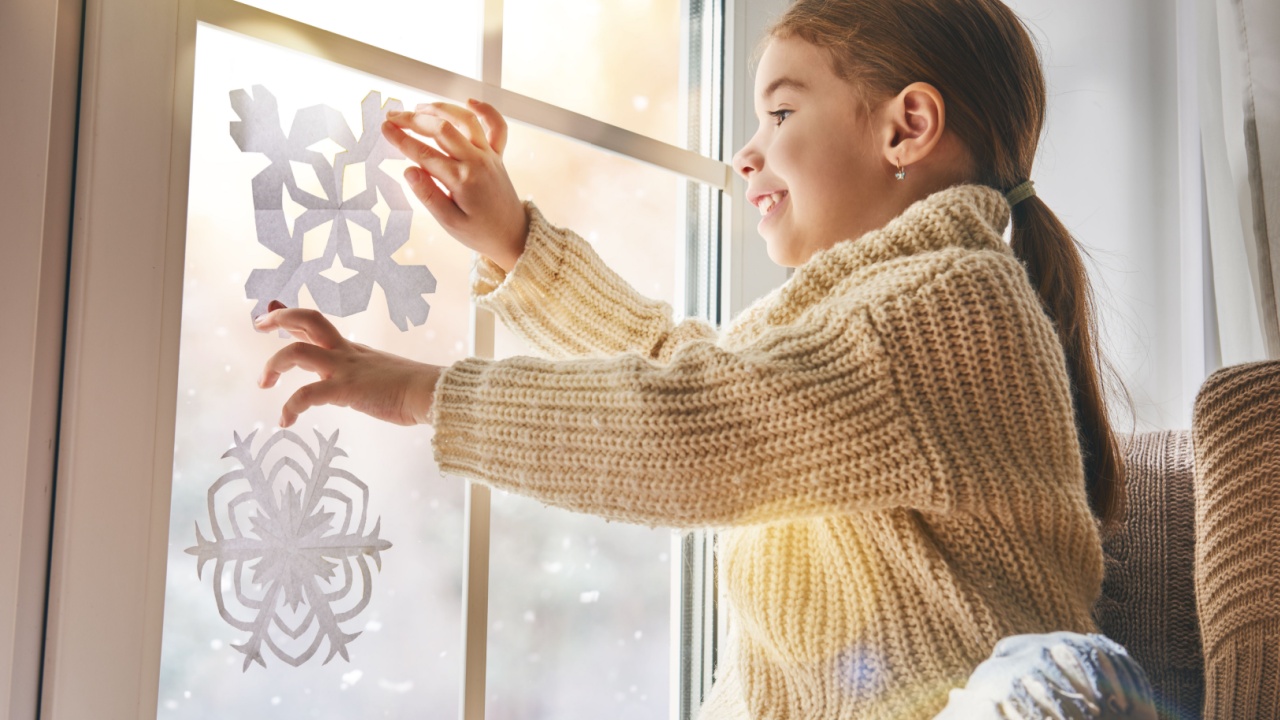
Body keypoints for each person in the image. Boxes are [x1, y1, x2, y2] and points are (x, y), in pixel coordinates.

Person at [254, 0, 1156, 717]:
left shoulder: (951, 304)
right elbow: (687, 371)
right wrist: (519, 242)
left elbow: (695, 425)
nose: (745, 151)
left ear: (906, 126)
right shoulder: (863, 315)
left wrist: (423, 391)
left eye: (781, 110)